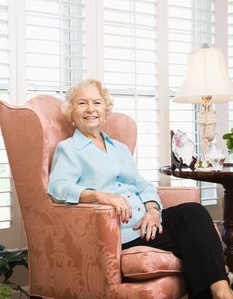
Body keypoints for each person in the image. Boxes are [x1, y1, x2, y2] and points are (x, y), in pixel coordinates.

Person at [48, 78, 233, 299]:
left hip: (148, 224)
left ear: (105, 109)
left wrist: (153, 211)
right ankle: (224, 294)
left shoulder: (119, 148)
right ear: (71, 111)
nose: (91, 109)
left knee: (195, 213)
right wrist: (101, 196)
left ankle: (221, 292)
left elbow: (142, 184)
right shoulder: (68, 149)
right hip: (121, 233)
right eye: (82, 103)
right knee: (195, 236)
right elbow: (58, 188)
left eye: (97, 103)